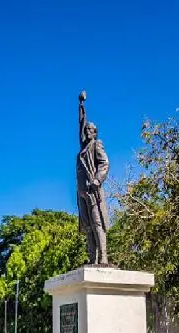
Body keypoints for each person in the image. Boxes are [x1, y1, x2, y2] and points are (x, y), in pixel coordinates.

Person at [77, 91, 110, 265]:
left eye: (90, 129)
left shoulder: (96, 145)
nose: (87, 131)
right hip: (81, 192)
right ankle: (92, 257)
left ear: (95, 133)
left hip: (92, 190)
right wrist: (81, 106)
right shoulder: (82, 149)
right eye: (87, 129)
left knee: (97, 222)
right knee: (88, 225)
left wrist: (98, 179)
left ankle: (103, 256)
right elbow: (80, 124)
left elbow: (105, 163)